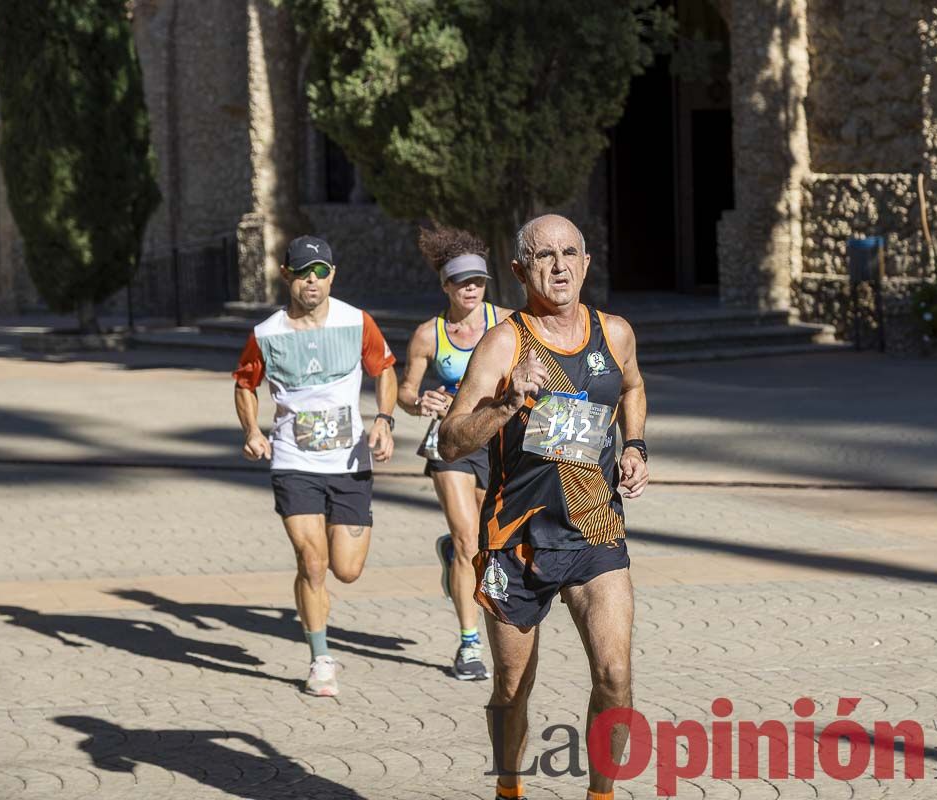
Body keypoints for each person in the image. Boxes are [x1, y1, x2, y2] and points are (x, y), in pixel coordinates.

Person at [438, 215, 649, 800]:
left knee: (615, 676)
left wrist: (633, 444)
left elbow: (631, 387)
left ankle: (601, 795)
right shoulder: (504, 342)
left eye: (569, 253)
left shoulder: (617, 333)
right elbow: (452, 439)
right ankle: (510, 787)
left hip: (593, 527)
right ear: (519, 269)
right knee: (510, 686)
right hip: (517, 538)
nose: (558, 266)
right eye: (543, 256)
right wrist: (507, 402)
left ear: (586, 262)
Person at [232, 234, 397, 697]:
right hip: (293, 460)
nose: (313, 280)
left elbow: (384, 368)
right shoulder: (267, 334)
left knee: (346, 570)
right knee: (313, 561)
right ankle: (320, 658)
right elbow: (245, 384)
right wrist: (252, 431)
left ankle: (317, 603)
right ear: (286, 275)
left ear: (332, 275)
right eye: (304, 272)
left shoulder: (356, 321)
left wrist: (383, 419)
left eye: (321, 272)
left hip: (348, 463)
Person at [397, 224, 512, 681]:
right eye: (462, 282)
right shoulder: (430, 335)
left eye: (478, 281)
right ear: (445, 285)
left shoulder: (504, 322)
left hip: (495, 439)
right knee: (469, 542)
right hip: (449, 443)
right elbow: (405, 391)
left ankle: (453, 556)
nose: (471, 289)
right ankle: (469, 645)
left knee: (485, 539)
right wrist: (418, 400)